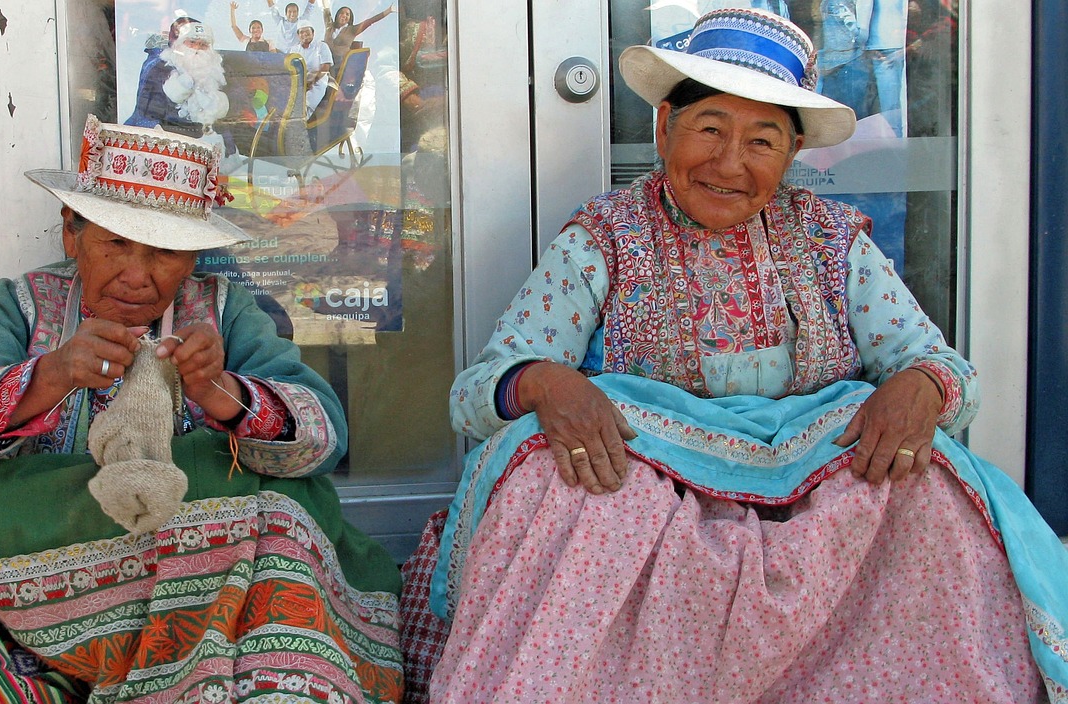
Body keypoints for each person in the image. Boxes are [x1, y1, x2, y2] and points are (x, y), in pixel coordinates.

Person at [423, 9, 1068, 702]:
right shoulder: (603, 237)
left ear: (791, 156)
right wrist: (544, 383)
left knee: (927, 483)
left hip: (812, 497)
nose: (730, 163)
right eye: (709, 130)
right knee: (550, 472)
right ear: (665, 125)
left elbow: (942, 369)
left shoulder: (831, 239)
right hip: (648, 492)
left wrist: (921, 385)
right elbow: (477, 393)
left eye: (762, 141)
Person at [0, 117, 403, 703]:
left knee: (288, 501)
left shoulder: (226, 310)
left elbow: (323, 435)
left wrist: (221, 393)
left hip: (186, 529)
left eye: (164, 252)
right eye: (114, 243)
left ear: (193, 258)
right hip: (46, 529)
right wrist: (50, 374)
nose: (137, 275)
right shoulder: (21, 305)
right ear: (71, 233)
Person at [124, 19, 229, 138]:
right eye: (192, 42)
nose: (197, 48)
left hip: (199, 137)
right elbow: (149, 111)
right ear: (179, 44)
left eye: (203, 45)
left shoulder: (214, 71)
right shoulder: (160, 66)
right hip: (162, 136)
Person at [289, 20, 334, 116]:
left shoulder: (321, 46)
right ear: (298, 35)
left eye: (307, 32)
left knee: (304, 106)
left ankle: (299, 127)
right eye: (301, 32)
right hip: (298, 83)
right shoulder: (294, 49)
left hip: (317, 82)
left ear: (313, 33)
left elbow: (325, 68)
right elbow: (290, 69)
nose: (304, 34)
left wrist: (311, 82)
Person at [323, 1, 397, 60]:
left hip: (339, 64)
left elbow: (371, 21)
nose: (344, 15)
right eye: (342, 13)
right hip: (323, 61)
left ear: (349, 19)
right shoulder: (330, 26)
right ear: (337, 15)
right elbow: (326, 9)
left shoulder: (352, 30)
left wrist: (388, 11)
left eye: (347, 14)